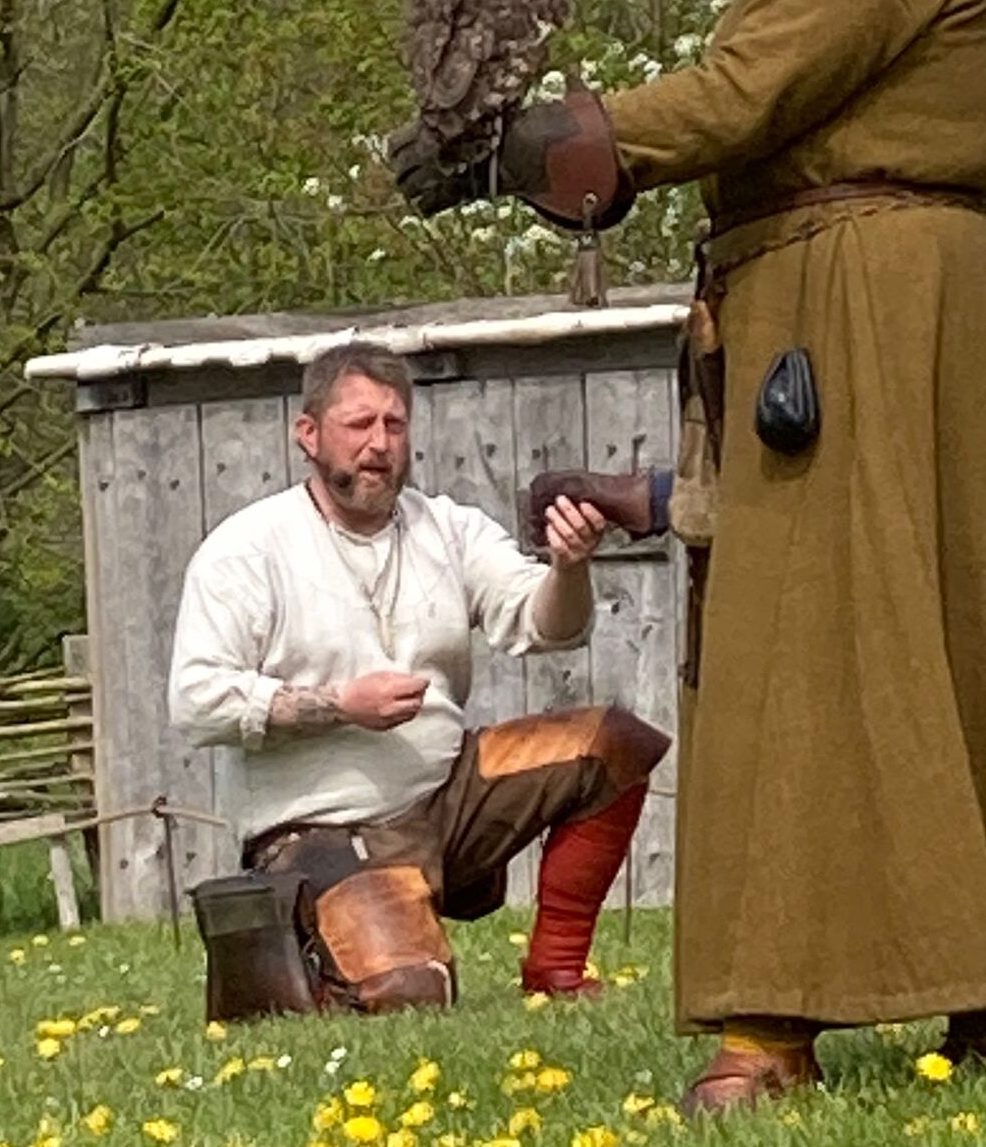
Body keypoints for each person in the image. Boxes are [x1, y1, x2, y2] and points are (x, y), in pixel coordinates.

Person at [389, 0, 986, 1110]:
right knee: (932, 635)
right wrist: (580, 159)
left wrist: (539, 139)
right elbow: (766, 111)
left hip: (859, 297)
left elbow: (739, 97)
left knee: (805, 646)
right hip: (863, 288)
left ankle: (774, 1031)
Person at [168, 341, 670, 1016]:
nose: (378, 444)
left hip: (447, 795)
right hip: (320, 829)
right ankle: (302, 951)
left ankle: (556, 970)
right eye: (358, 425)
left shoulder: (448, 528)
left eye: (394, 424)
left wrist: (570, 567)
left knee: (616, 743)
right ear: (309, 435)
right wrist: (338, 706)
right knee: (411, 993)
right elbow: (197, 700)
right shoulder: (246, 551)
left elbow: (547, 625)